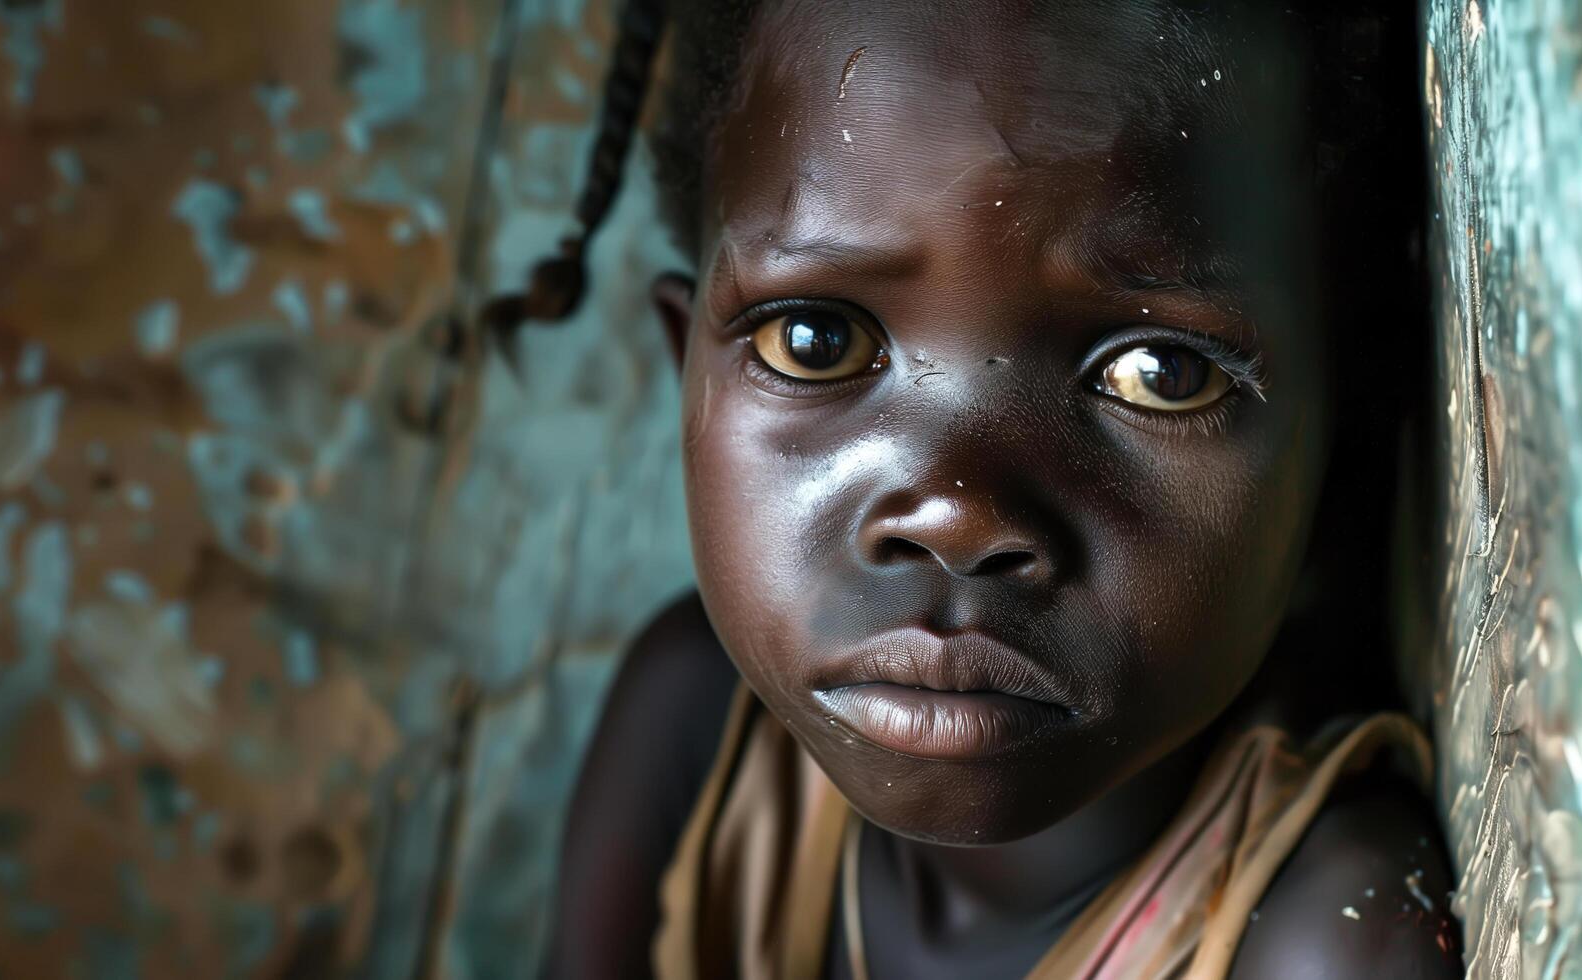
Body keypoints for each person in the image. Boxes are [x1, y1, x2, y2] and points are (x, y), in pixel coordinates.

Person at [523, 0, 1464, 976]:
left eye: (1159, 372)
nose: (956, 514)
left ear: (1342, 429)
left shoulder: (1329, 941)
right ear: (691, 382)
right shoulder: (696, 723)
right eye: (815, 341)